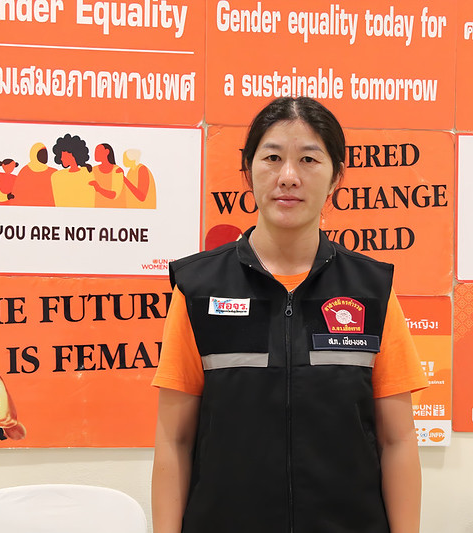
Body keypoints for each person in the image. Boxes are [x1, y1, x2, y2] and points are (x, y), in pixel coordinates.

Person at [151, 97, 427, 533]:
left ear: (336, 176)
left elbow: (398, 439)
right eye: (273, 157)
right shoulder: (198, 288)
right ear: (249, 170)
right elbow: (174, 439)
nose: (289, 177)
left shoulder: (371, 291)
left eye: (309, 159)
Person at [50, 134, 95, 207]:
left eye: (63, 156)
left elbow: (89, 201)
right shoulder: (57, 176)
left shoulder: (87, 173)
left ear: (72, 155)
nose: (61, 158)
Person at [11, 142, 56, 206]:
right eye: (41, 153)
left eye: (45, 153)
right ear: (34, 155)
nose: (45, 156)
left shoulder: (53, 172)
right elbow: (17, 195)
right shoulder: (25, 172)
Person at [90, 143, 126, 208]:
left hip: (116, 208)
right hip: (98, 207)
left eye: (98, 151)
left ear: (107, 152)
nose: (95, 154)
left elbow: (114, 195)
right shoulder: (93, 170)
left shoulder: (117, 171)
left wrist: (99, 189)